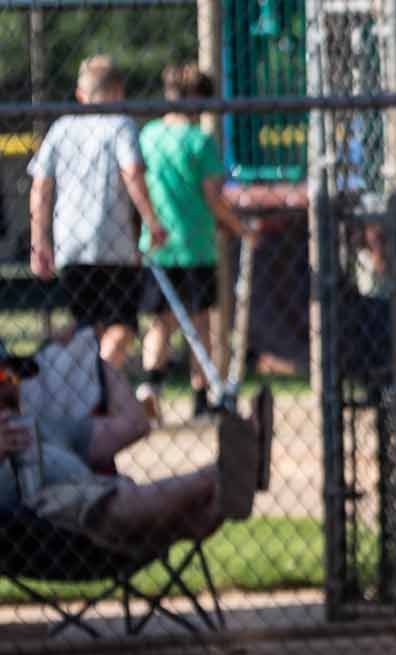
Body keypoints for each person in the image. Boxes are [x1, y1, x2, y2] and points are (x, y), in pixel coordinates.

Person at [1, 337, 268, 553]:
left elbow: (134, 424)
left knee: (199, 516)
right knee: (107, 500)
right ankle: (229, 469)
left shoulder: (44, 427)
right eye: (2, 378)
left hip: (105, 511)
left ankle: (229, 482)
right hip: (46, 521)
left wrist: (94, 360)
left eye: (13, 379)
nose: (11, 388)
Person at [28, 57, 170, 378]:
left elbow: (40, 186)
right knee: (121, 326)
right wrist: (151, 221)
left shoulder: (62, 128)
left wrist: (40, 239)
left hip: (70, 242)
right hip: (113, 244)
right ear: (119, 92)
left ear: (80, 94)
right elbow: (132, 173)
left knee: (88, 325)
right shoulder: (121, 125)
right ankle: (97, 386)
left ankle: (72, 378)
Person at [139, 64, 255, 419]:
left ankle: (150, 385)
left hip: (157, 244)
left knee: (161, 322)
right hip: (194, 244)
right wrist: (240, 228)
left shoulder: (149, 135)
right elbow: (213, 197)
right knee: (200, 321)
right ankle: (201, 397)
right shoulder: (200, 141)